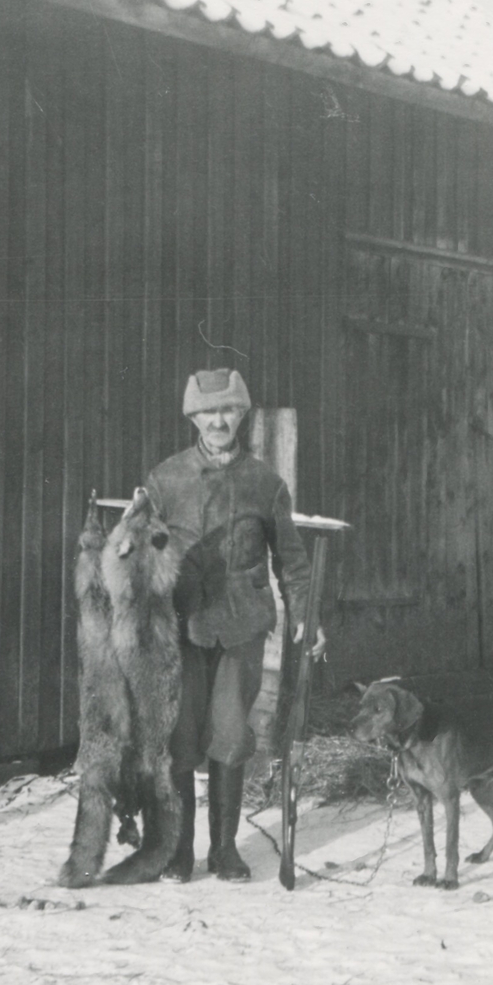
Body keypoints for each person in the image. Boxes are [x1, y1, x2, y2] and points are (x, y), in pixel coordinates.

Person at [144, 368, 326, 882]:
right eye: (207, 412)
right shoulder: (165, 479)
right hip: (180, 629)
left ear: (241, 415)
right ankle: (178, 850)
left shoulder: (264, 483)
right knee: (179, 738)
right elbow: (141, 558)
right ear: (193, 418)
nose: (218, 420)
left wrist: (307, 618)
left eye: (227, 410)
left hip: (242, 626)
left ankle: (224, 849)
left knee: (228, 732)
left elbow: (291, 560)